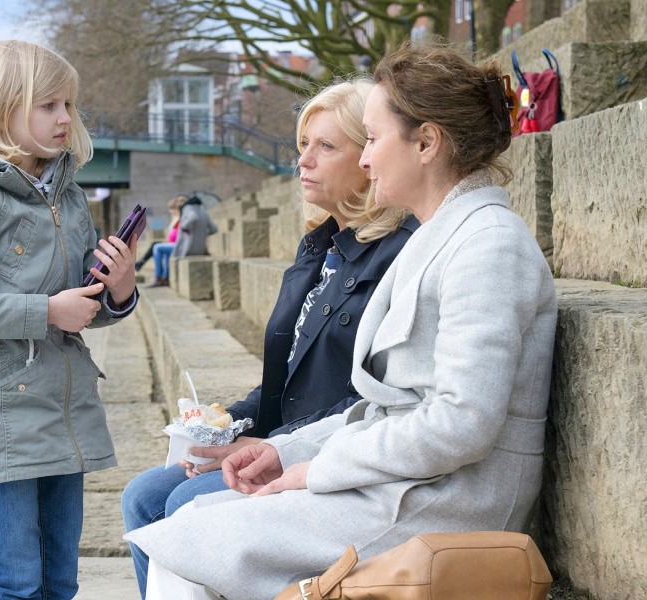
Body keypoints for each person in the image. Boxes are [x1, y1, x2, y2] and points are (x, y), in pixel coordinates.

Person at [125, 42, 558, 600]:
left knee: (188, 546)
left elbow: (460, 424)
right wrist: (287, 452)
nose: (367, 158)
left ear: (427, 142)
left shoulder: (490, 245)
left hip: (446, 502)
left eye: (373, 139)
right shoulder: (446, 235)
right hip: (407, 485)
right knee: (184, 532)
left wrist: (316, 469)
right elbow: (384, 406)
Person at [121, 78, 418, 598]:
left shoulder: (398, 255)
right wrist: (221, 427)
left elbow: (377, 400)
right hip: (279, 441)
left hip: (327, 455)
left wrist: (271, 446)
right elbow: (282, 381)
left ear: (368, 157)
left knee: (179, 506)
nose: (303, 160)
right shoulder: (320, 250)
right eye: (304, 144)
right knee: (142, 494)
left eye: (326, 146)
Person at [0, 40, 138, 600]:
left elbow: (81, 312)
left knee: (60, 581)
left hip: (65, 413)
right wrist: (46, 310)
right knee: (17, 582)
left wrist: (119, 290)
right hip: (2, 418)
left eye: (69, 105)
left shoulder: (70, 194)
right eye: (48, 105)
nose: (65, 118)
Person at [141, 194, 185, 287]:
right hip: (173, 244)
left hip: (178, 245)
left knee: (157, 247)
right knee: (161, 250)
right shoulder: (176, 219)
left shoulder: (183, 219)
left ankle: (158, 277)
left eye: (172, 209)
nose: (170, 211)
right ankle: (164, 278)